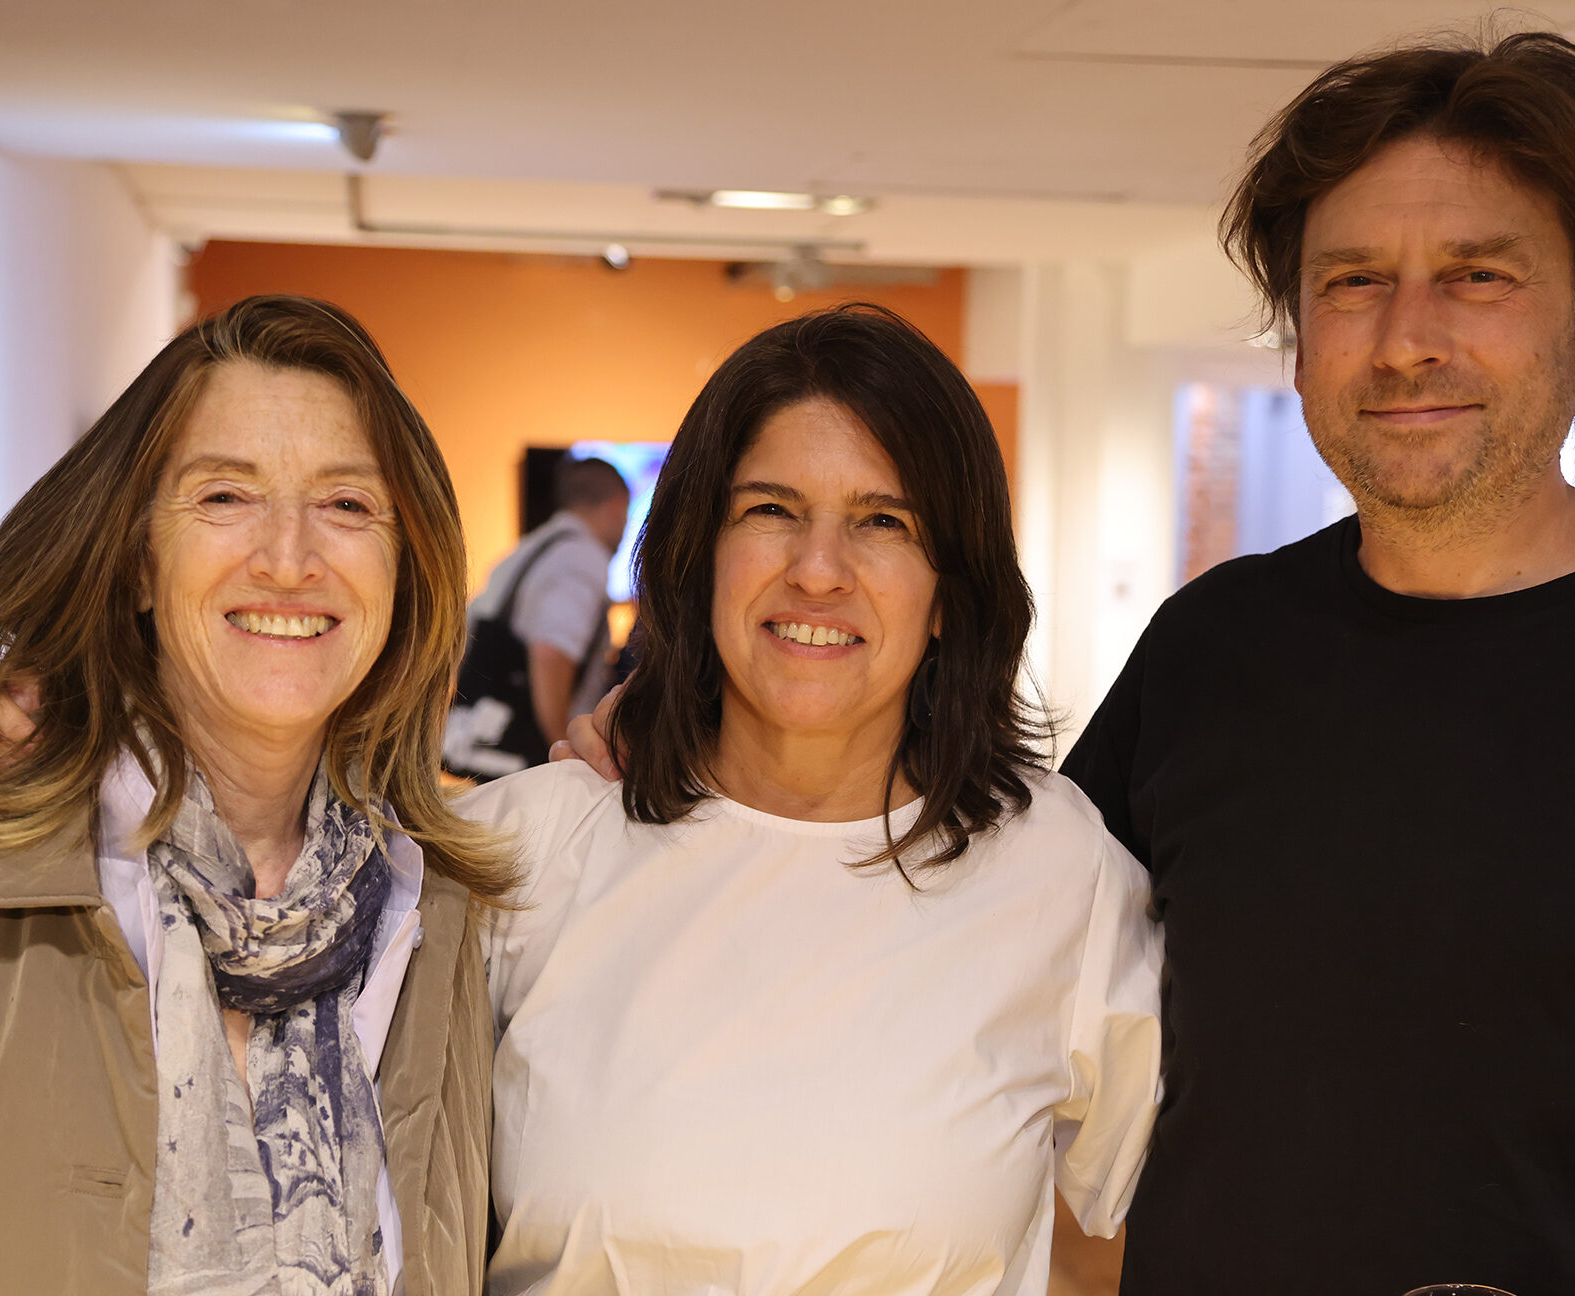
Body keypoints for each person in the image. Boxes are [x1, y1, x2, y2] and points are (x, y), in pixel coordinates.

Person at [1056, 30, 1575, 1296]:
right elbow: (978, 936)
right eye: (1350, 281)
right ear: (1298, 337)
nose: (1405, 339)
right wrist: (696, 763)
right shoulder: (1210, 647)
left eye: (1475, 276)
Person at [463, 303, 1162, 1293]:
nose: (816, 570)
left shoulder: (1055, 869)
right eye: (769, 511)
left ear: (948, 592)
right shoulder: (520, 851)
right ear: (697, 553)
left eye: (881, 521)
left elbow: (1137, 1227)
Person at [0, 295, 507, 1294]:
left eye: (345, 505)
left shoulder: (445, 911)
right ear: (135, 563)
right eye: (224, 498)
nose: (289, 559)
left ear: (404, 568)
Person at [442, 455, 628, 780]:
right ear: (615, 506)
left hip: (481, 744)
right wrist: (564, 750)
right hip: (528, 762)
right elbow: (551, 651)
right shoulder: (582, 557)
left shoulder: (524, 550)